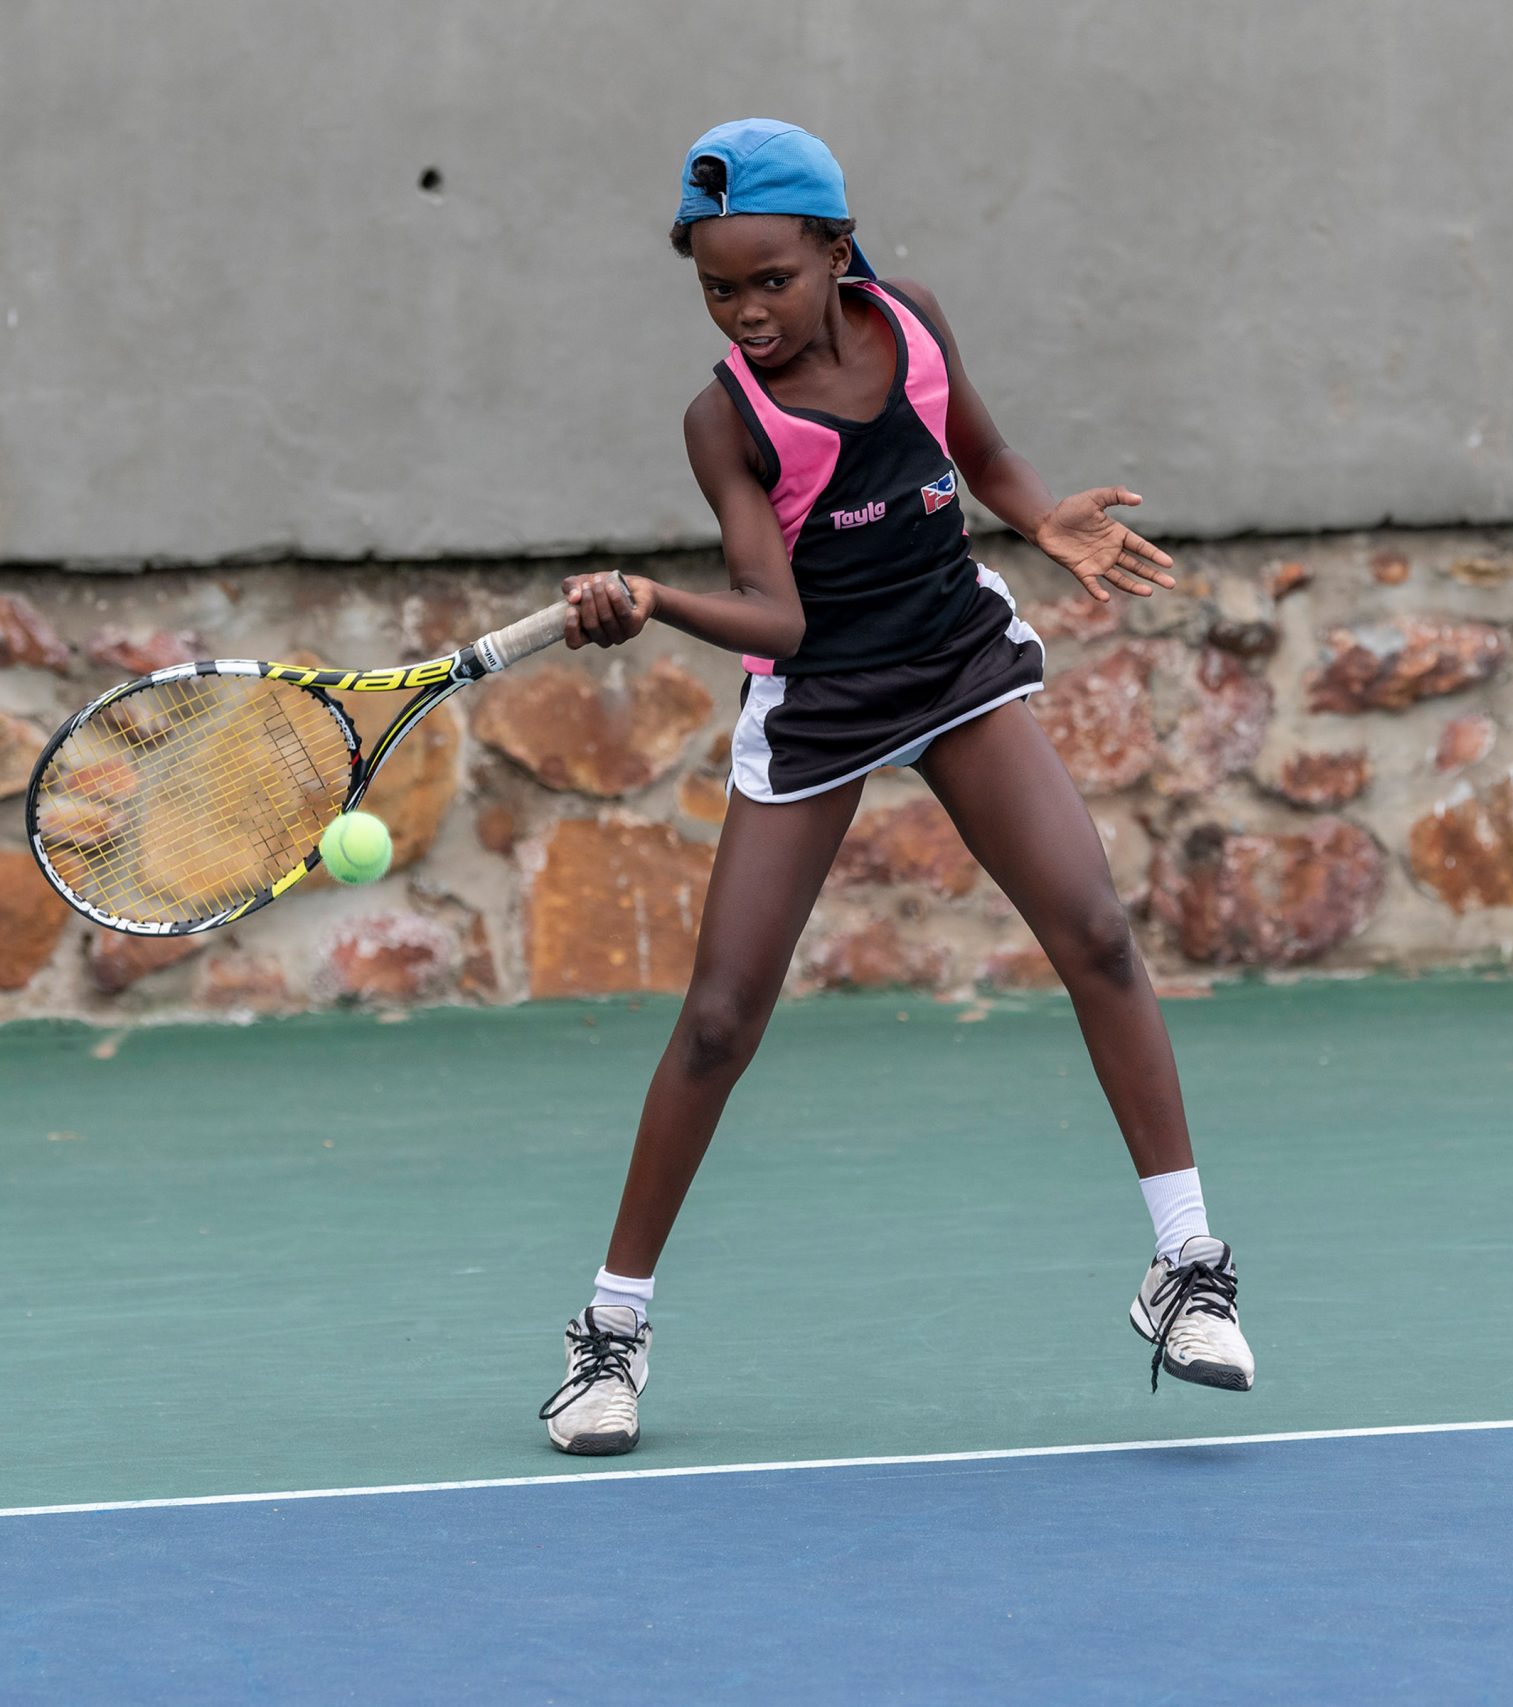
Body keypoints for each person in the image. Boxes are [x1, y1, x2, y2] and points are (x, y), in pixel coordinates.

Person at [536, 119, 1254, 1455]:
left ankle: (1186, 1267)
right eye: (717, 287)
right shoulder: (725, 420)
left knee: (1096, 932)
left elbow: (982, 459)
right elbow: (779, 621)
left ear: (836, 251)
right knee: (721, 1019)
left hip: (954, 658)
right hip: (823, 699)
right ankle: (608, 1336)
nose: (746, 310)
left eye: (770, 279)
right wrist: (652, 602)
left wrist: (1042, 519)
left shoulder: (912, 323)